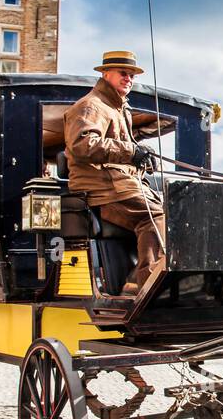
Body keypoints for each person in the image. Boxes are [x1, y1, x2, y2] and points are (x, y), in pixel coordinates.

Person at [63, 49, 165, 296]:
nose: (128, 79)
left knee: (174, 210)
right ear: (105, 73)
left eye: (131, 75)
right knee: (154, 216)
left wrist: (141, 158)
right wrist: (131, 152)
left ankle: (139, 281)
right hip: (102, 188)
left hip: (119, 185)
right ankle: (147, 288)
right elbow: (82, 144)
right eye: (123, 73)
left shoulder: (117, 108)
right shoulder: (91, 105)